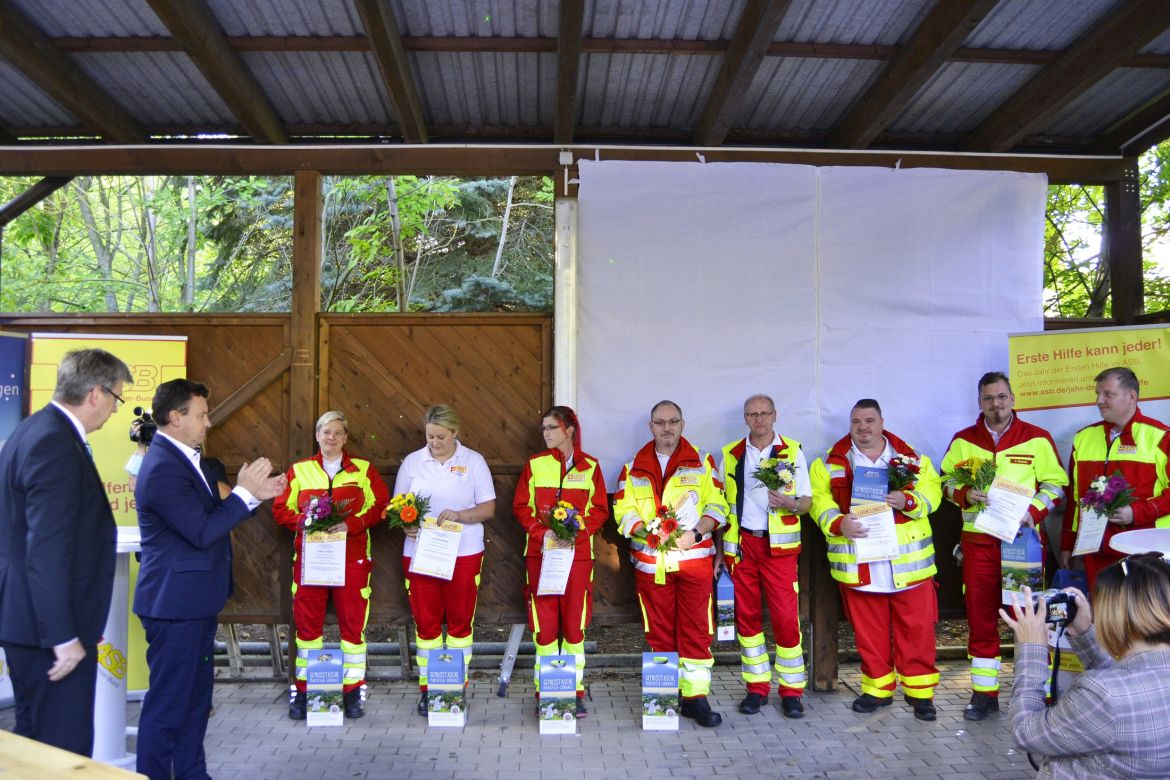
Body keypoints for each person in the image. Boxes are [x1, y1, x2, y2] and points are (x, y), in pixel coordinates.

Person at [133, 379, 286, 780]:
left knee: (196, 702)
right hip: (174, 606)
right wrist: (244, 494)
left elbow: (213, 512)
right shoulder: (164, 466)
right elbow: (201, 531)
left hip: (193, 603)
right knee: (168, 706)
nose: (208, 422)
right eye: (200, 415)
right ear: (174, 417)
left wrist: (255, 495)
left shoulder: (185, 458)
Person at [0, 348, 131, 756]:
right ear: (96, 393)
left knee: (35, 747)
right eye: (116, 398)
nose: (114, 410)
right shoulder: (54, 443)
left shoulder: (35, 428)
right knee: (62, 750)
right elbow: (46, 549)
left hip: (31, 623)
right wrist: (62, 636)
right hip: (47, 634)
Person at [940, 371, 1066, 721]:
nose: (995, 404)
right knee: (981, 619)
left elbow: (1057, 486)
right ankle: (984, 694)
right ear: (979, 402)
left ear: (1012, 398)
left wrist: (1033, 511)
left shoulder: (1037, 439)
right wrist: (964, 494)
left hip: (1021, 545)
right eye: (988, 398)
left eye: (1001, 397)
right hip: (978, 545)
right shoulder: (963, 440)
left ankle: (1035, 691)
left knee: (1027, 619)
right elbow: (945, 482)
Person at [810, 398, 943, 721]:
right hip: (861, 562)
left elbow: (934, 494)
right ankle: (877, 688)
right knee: (869, 631)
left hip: (908, 563)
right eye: (856, 422)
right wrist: (837, 522)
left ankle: (920, 692)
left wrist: (908, 499)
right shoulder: (829, 462)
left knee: (917, 629)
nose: (863, 428)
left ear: (882, 421)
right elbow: (818, 501)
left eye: (869, 421)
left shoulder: (912, 459)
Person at [1000, 553, 1170, 778]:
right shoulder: (1128, 686)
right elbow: (1132, 680)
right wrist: (1084, 634)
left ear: (1113, 615)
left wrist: (1032, 649)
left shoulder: (1101, 694)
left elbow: (1025, 732)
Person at [613, 400, 729, 727]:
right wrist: (651, 533)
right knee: (659, 632)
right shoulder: (633, 466)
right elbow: (624, 512)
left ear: (682, 424)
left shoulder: (702, 462)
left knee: (696, 631)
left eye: (673, 421)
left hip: (694, 563)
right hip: (652, 566)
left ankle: (695, 699)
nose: (667, 428)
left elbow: (717, 508)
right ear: (651, 426)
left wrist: (695, 533)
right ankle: (663, 698)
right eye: (660, 422)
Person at [273, 411, 390, 720]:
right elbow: (280, 509)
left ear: (345, 437)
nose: (332, 438)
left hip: (351, 561)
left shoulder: (363, 470)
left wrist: (351, 525)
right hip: (312, 562)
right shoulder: (299, 470)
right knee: (307, 629)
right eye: (326, 432)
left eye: (338, 433)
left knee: (353, 628)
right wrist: (307, 522)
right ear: (317, 435)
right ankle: (305, 690)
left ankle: (352, 693)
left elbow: (380, 505)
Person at [393, 404, 496, 716]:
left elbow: (488, 507)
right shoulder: (413, 462)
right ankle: (429, 688)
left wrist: (461, 515)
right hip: (421, 553)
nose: (434, 443)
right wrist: (404, 521)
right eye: (429, 437)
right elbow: (397, 505)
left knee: (460, 621)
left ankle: (454, 686)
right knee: (426, 622)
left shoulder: (473, 461)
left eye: (440, 436)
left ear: (455, 433)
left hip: (463, 551)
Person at [513, 406, 608, 717]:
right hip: (541, 556)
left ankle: (574, 691)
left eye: (551, 428)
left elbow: (599, 510)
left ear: (569, 430)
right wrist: (543, 534)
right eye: (543, 429)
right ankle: (547, 692)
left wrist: (577, 534)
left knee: (574, 626)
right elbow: (522, 508)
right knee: (545, 626)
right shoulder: (535, 464)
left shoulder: (590, 466)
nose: (546, 434)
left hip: (577, 556)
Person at [719, 394, 810, 718]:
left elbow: (807, 503)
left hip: (780, 550)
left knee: (786, 620)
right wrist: (720, 552)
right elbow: (721, 506)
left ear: (775, 415)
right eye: (752, 414)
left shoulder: (793, 451)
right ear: (745, 418)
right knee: (747, 620)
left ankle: (791, 690)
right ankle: (756, 688)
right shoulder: (731, 454)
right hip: (744, 547)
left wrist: (790, 504)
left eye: (764, 413)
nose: (759, 419)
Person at [1061, 367, 1170, 593]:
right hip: (1095, 551)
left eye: (1107, 394)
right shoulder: (1084, 437)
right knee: (1103, 620)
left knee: (1142, 622)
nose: (1099, 400)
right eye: (1097, 394)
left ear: (1132, 396)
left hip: (1144, 553)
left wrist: (1137, 512)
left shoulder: (1160, 436)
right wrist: (1067, 545)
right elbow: (1074, 499)